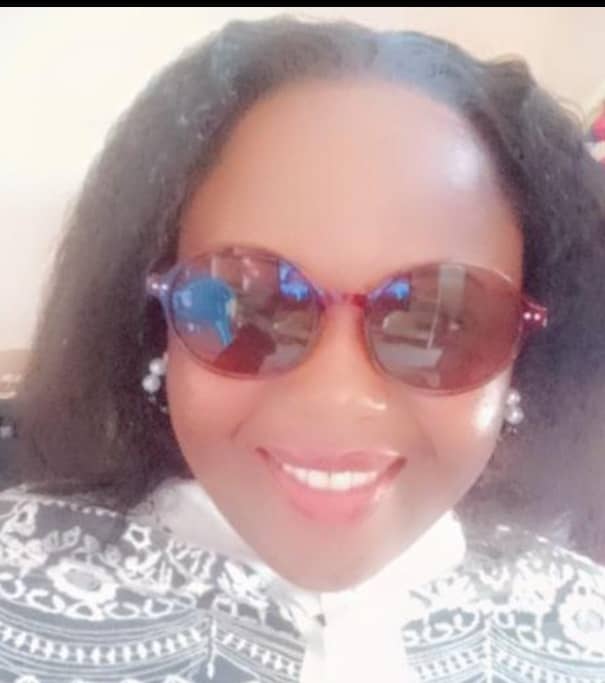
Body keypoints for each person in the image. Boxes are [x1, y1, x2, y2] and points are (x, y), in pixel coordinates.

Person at [2, 16, 605, 683]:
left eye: (441, 318)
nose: (336, 397)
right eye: (248, 305)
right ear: (154, 325)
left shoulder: (585, 628)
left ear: (525, 356)